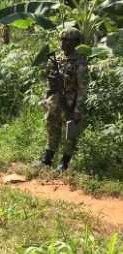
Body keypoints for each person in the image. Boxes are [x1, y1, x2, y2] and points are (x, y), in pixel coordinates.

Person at [41, 27, 88, 171]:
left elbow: (83, 88)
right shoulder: (58, 59)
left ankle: (64, 163)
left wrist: (77, 109)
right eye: (62, 39)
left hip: (70, 102)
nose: (63, 43)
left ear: (75, 43)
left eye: (67, 40)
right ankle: (47, 159)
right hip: (55, 101)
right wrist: (46, 98)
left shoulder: (79, 62)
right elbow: (50, 81)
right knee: (52, 128)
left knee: (69, 133)